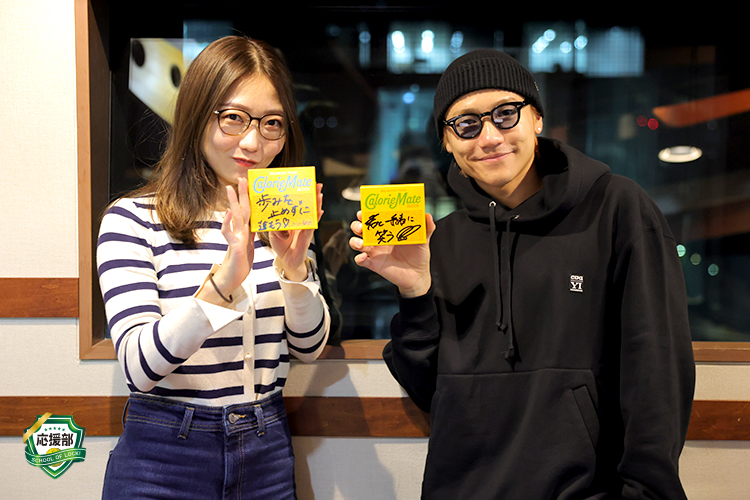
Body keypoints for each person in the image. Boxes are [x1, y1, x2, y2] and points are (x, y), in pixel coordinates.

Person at [349, 48, 695, 499]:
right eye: (466, 124)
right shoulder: (439, 241)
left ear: (537, 119)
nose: (489, 137)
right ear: (448, 142)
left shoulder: (617, 209)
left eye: (505, 114)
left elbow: (657, 372)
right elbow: (431, 391)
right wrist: (415, 292)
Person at [97, 35, 330, 499]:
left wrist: (294, 271)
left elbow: (308, 347)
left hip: (265, 446)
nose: (253, 142)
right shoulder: (133, 219)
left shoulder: (282, 216)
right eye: (233, 118)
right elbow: (138, 367)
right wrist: (225, 280)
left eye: (272, 123)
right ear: (197, 115)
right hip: (164, 453)